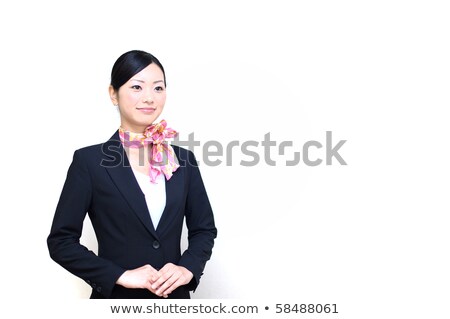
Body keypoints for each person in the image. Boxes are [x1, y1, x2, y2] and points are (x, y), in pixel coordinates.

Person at [47, 50, 217, 299]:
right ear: (113, 94)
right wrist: (119, 274)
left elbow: (204, 229)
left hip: (174, 301)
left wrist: (187, 268)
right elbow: (61, 242)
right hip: (117, 302)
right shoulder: (89, 162)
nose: (149, 97)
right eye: (137, 87)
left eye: (158, 88)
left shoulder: (183, 160)